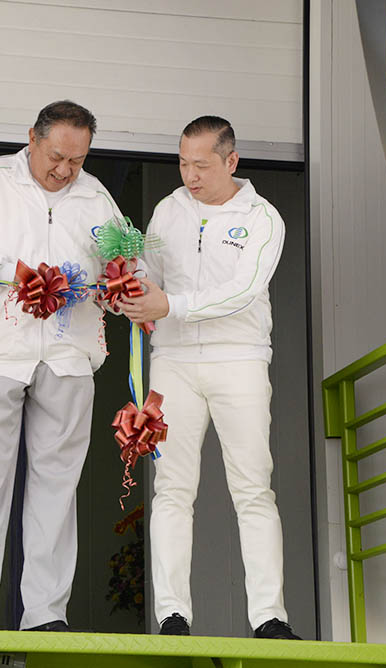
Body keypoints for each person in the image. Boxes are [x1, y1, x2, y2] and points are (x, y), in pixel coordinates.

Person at [0, 100, 124, 632]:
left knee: (58, 485)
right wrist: (8, 273)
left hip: (69, 357)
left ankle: (44, 614)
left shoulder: (96, 196)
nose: (65, 170)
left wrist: (117, 278)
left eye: (76, 161)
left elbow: (127, 262)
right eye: (57, 156)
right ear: (31, 139)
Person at [120, 115, 299, 639]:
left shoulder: (264, 218)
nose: (189, 175)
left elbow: (244, 291)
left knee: (253, 489)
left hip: (240, 358)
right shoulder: (168, 210)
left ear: (231, 161)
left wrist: (169, 303)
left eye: (201, 165)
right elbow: (149, 276)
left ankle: (270, 618)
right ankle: (171, 615)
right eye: (182, 162)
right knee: (172, 489)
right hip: (172, 361)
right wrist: (128, 286)